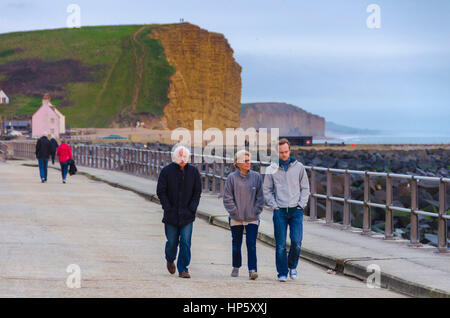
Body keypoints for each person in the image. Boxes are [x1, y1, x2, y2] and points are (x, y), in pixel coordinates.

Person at [263, 138, 310, 282]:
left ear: (290, 151)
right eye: (281, 152)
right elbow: (266, 190)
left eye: (286, 152)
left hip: (296, 210)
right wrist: (274, 206)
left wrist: (301, 205)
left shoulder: (299, 167)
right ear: (278, 152)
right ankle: (282, 272)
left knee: (296, 242)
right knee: (281, 244)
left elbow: (305, 188)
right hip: (280, 211)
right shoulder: (272, 168)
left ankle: (292, 266)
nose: (284, 155)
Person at [156, 146, 202, 278]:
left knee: (185, 242)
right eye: (180, 157)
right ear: (174, 157)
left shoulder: (193, 172)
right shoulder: (166, 171)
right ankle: (170, 259)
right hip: (171, 215)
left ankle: (183, 269)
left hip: (187, 215)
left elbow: (197, 192)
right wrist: (167, 207)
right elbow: (161, 191)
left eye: (185, 157)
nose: (182, 159)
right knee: (172, 242)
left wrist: (193, 207)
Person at [223, 150, 264, 280]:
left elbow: (260, 197)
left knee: (251, 243)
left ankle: (253, 270)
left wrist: (256, 211)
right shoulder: (231, 178)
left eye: (249, 160)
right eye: (245, 161)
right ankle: (236, 266)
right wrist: (235, 212)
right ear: (238, 163)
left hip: (252, 218)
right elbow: (227, 198)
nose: (248, 163)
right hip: (236, 218)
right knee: (236, 244)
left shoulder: (256, 177)